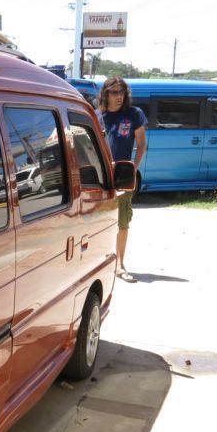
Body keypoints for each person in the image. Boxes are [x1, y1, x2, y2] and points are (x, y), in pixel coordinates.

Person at [97, 76, 147, 283]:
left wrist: (133, 168)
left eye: (121, 92)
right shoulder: (98, 115)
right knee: (96, 221)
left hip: (122, 175)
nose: (118, 96)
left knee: (122, 222)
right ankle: (98, 262)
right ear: (105, 94)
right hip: (100, 176)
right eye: (114, 92)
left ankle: (119, 265)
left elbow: (142, 143)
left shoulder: (134, 114)